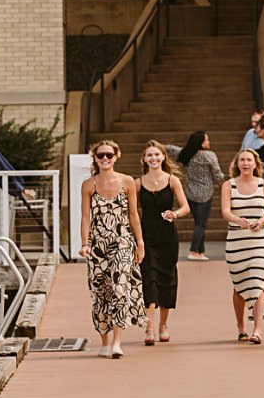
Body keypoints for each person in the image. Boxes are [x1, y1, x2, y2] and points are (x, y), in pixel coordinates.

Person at [80, 141, 146, 359]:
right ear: (95, 158)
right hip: (98, 244)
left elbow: (133, 214)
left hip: (123, 241)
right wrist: (84, 243)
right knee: (101, 291)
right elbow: (85, 216)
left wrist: (140, 243)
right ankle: (105, 342)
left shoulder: (127, 182)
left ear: (116, 156)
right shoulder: (88, 185)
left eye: (109, 154)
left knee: (119, 287)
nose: (105, 158)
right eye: (100, 155)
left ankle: (118, 342)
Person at [138, 141, 190, 346]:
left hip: (167, 234)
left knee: (166, 278)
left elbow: (185, 207)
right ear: (144, 159)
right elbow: (131, 211)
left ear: (163, 158)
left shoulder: (172, 181)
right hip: (145, 234)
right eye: (149, 155)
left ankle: (163, 325)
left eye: (157, 155)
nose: (153, 159)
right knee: (148, 277)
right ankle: (149, 327)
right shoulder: (136, 183)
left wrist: (175, 213)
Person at [223, 148, 264, 343]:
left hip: (259, 239)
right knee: (239, 286)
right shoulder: (229, 185)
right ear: (237, 163)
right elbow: (226, 211)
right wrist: (237, 219)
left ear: (256, 163)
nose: (245, 163)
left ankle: (258, 331)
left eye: (249, 160)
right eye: (242, 160)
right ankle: (241, 327)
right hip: (237, 240)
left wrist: (262, 221)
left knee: (258, 282)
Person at [168, 131, 226, 260]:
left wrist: (157, 146)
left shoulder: (187, 154)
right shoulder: (209, 156)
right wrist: (226, 188)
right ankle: (194, 251)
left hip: (190, 193)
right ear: (200, 143)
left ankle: (200, 252)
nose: (208, 142)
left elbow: (170, 148)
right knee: (201, 224)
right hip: (205, 194)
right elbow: (218, 174)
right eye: (206, 140)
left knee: (198, 223)